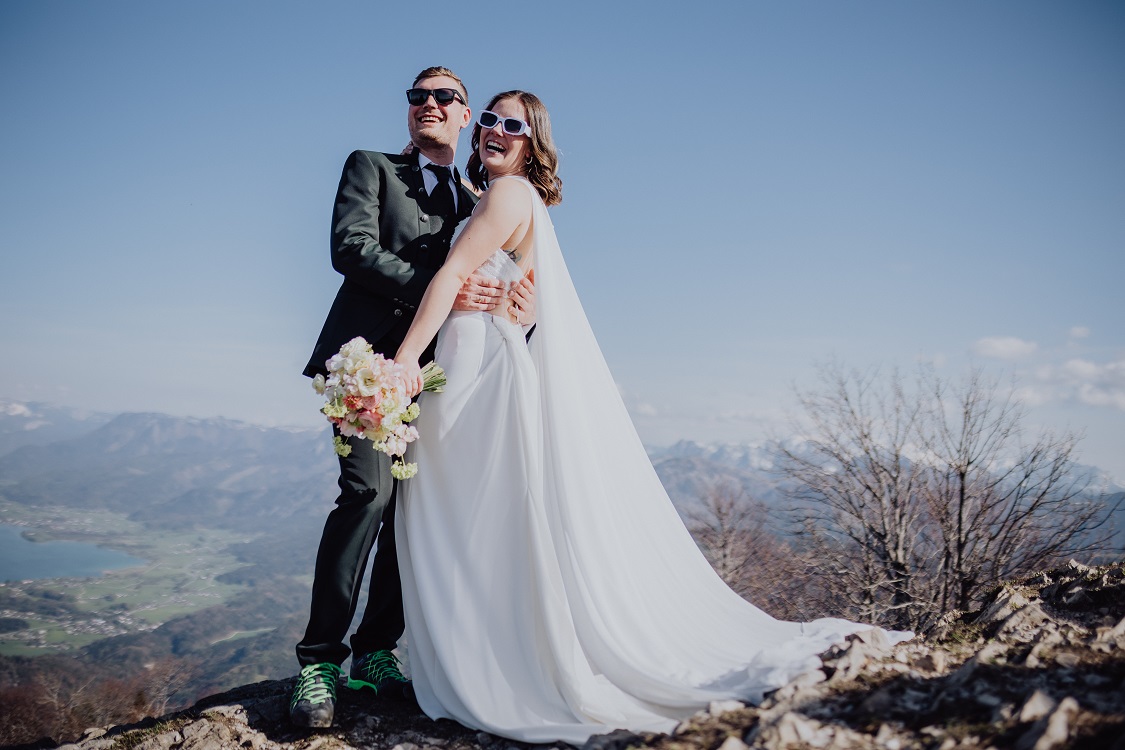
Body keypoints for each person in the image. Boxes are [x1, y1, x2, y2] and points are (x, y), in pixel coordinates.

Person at [391, 90, 912, 744]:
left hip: (468, 371)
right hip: (484, 360)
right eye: (489, 119)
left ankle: (490, 665)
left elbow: (452, 276)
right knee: (479, 516)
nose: (495, 129)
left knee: (461, 516)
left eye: (511, 125)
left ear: (533, 140)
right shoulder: (509, 198)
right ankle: (498, 654)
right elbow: (520, 292)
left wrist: (405, 361)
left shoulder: (506, 196)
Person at [290, 67, 535, 728]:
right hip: (364, 364)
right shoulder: (370, 167)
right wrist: (440, 286)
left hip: (443, 379)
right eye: (417, 96)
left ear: (466, 119)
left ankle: (377, 651)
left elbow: (500, 292)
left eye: (444, 97)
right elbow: (351, 249)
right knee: (367, 494)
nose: (427, 104)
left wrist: (521, 306)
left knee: (416, 513)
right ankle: (318, 661)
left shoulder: (479, 199)